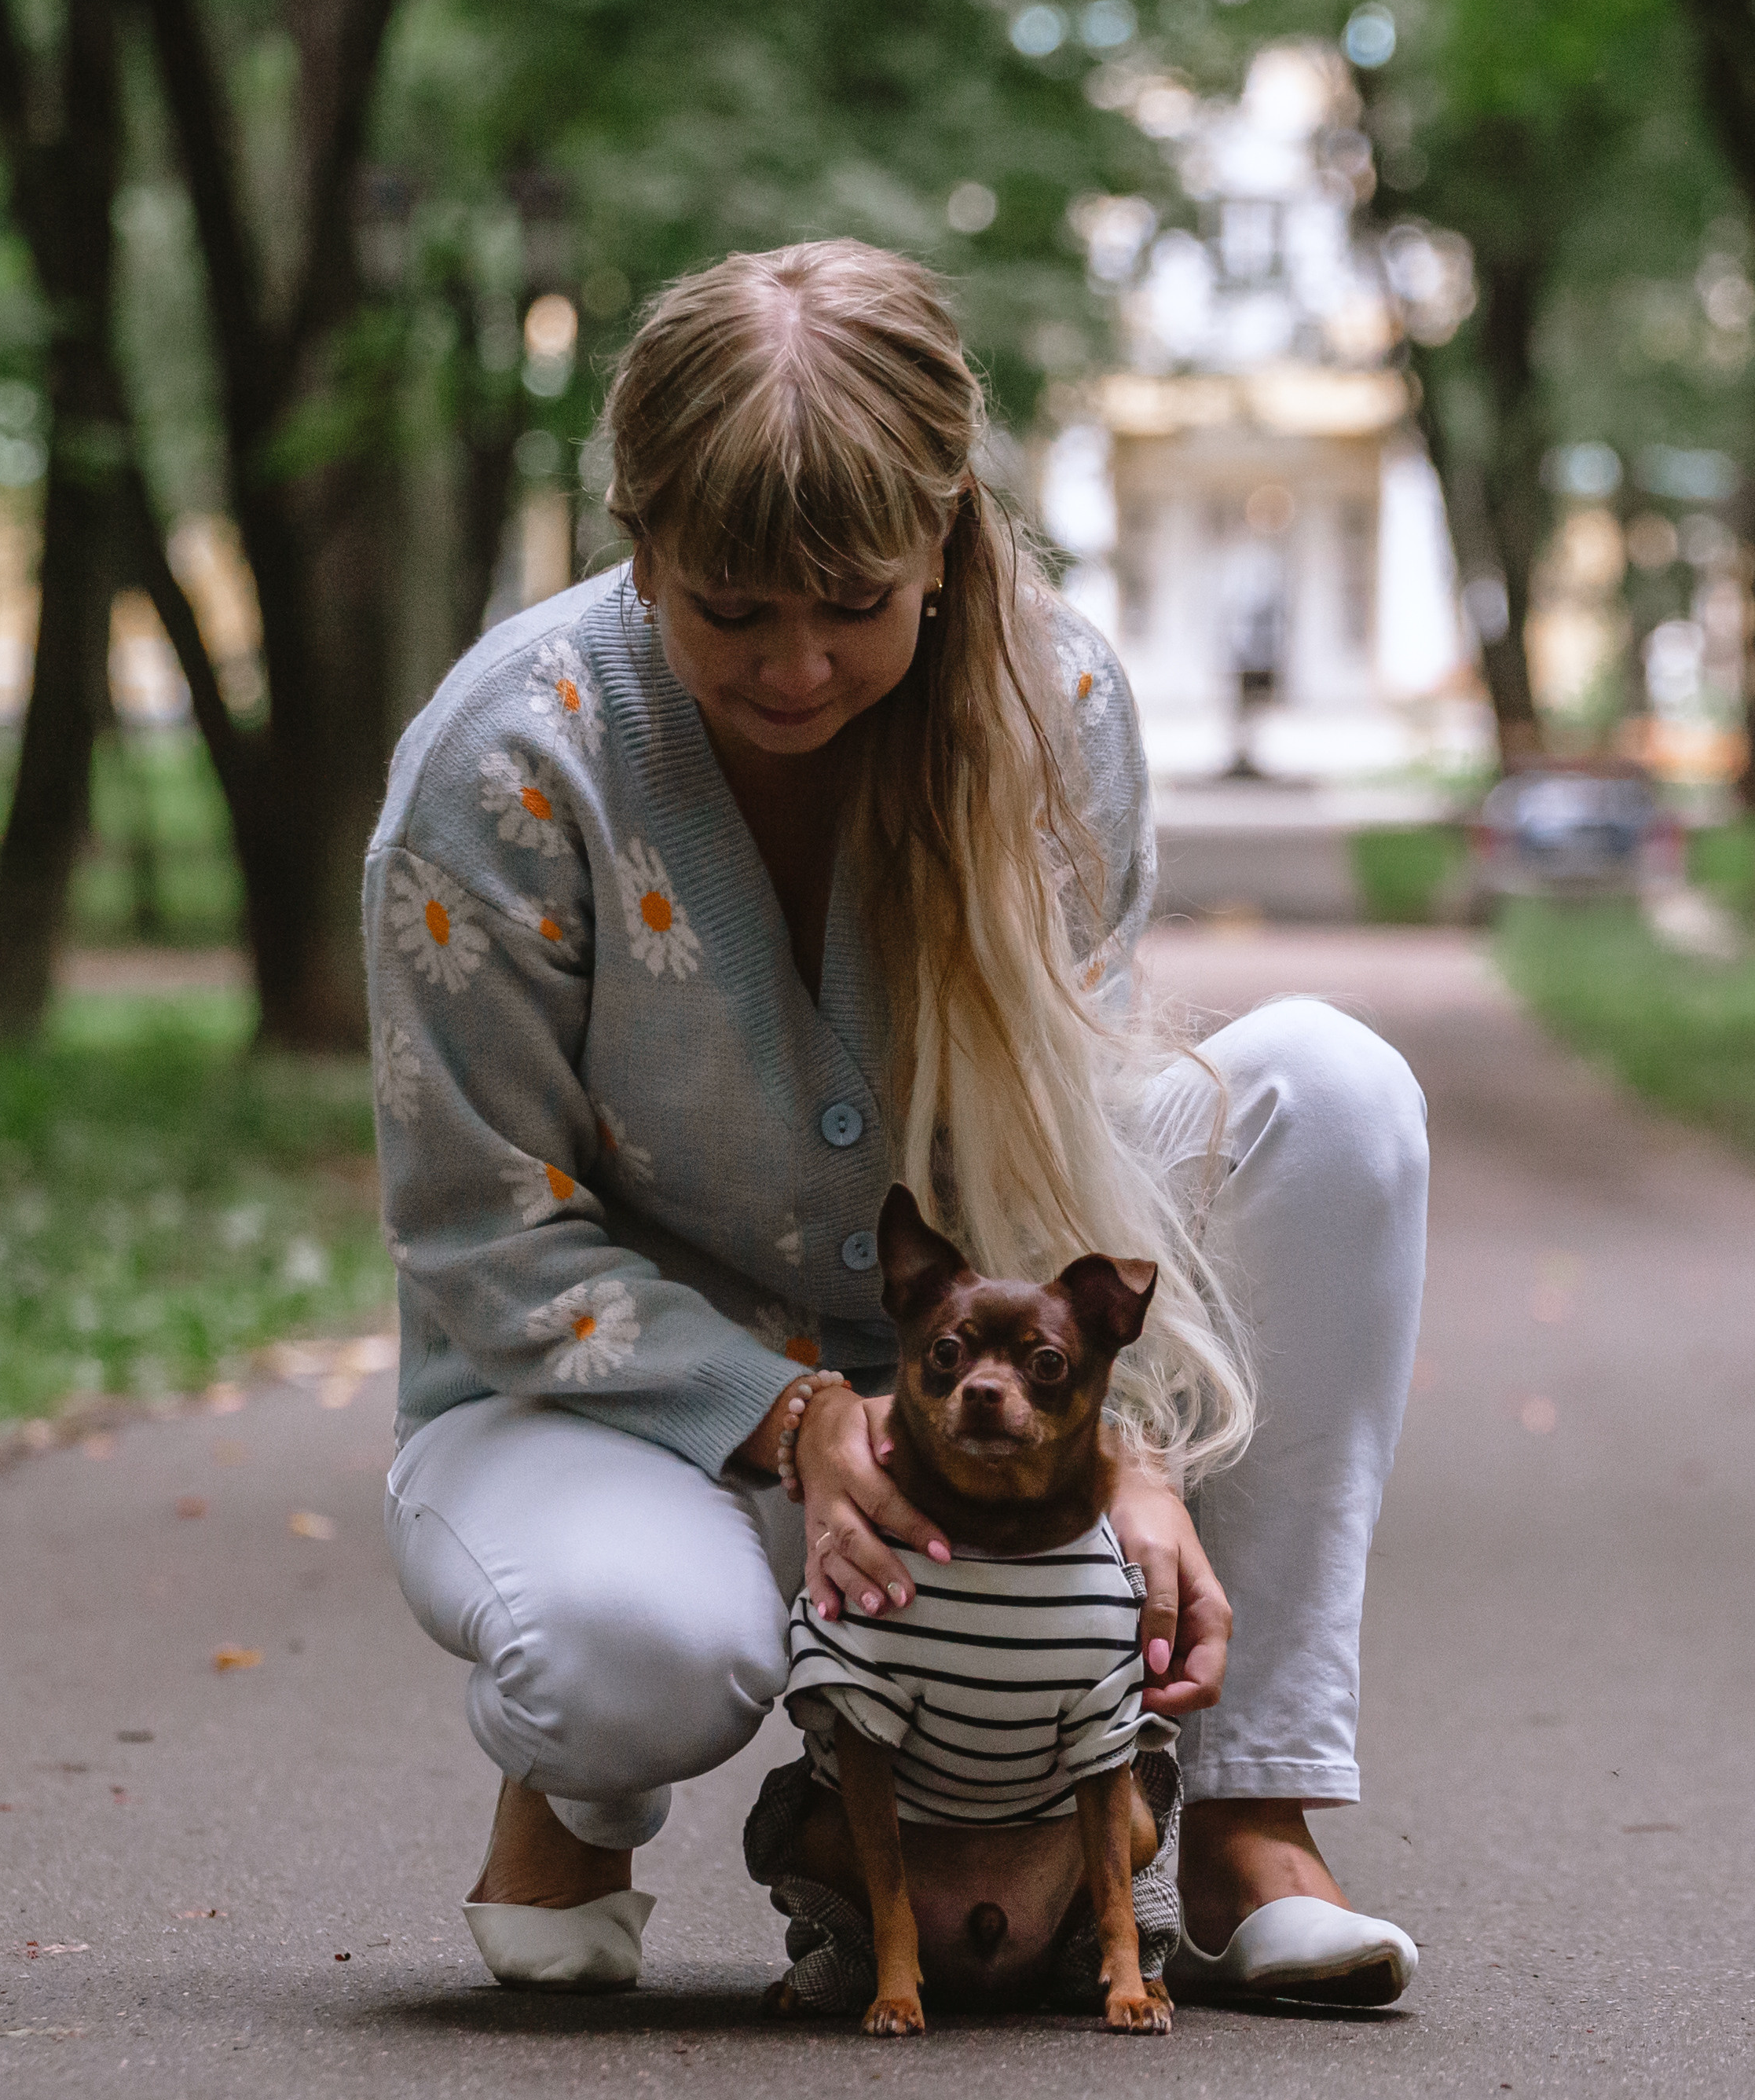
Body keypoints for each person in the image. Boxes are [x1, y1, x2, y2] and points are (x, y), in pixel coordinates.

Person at [366, 237, 1427, 2004]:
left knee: (1336, 1094)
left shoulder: (1052, 704)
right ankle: (580, 1774)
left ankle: (1255, 1822)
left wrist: (1133, 1454)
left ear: (946, 536)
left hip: (970, 1400)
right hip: (614, 1411)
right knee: (633, 1653)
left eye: (855, 602)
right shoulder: (503, 769)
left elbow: (1065, 1141)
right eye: (731, 610)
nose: (796, 668)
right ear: (640, 548)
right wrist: (789, 1417)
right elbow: (484, 1234)